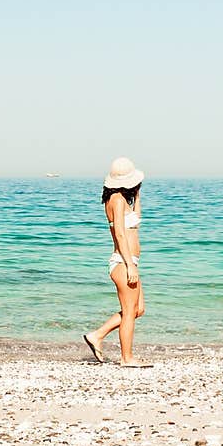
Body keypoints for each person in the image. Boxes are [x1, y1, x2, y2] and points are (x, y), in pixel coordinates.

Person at [82, 157, 152, 368]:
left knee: (138, 309)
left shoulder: (121, 198)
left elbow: (135, 221)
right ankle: (126, 358)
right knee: (130, 310)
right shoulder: (117, 200)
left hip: (130, 261)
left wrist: (137, 195)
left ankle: (97, 335)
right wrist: (130, 264)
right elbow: (120, 235)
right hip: (123, 262)